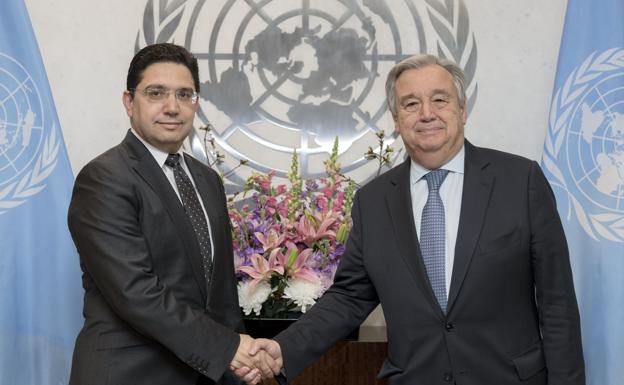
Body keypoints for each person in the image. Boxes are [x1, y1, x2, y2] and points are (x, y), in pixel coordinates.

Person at [242, 54, 585, 384]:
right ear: (396, 119)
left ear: (462, 110)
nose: (426, 114)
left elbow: (557, 304)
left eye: (440, 100)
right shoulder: (373, 202)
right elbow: (350, 297)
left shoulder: (520, 181)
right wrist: (283, 348)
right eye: (410, 104)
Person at [67, 43, 277, 385]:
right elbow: (136, 291)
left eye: (185, 94)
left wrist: (240, 364)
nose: (172, 107)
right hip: (130, 375)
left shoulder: (206, 180)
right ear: (128, 102)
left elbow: (219, 296)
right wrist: (226, 348)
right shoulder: (104, 178)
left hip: (206, 374)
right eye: (156, 93)